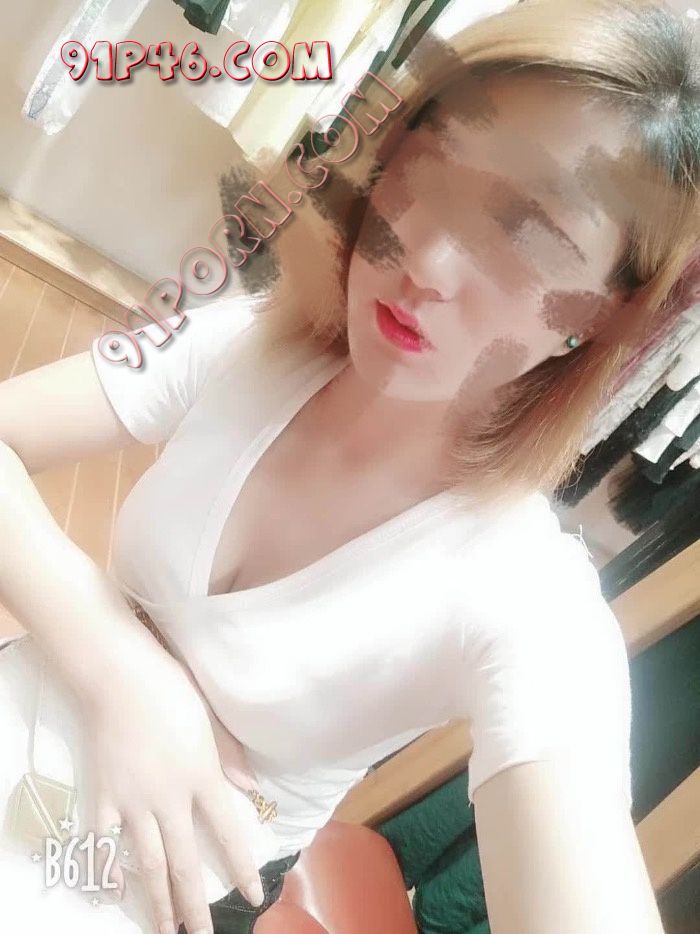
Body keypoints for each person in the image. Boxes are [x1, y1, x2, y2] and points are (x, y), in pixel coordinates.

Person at [0, 0, 697, 931]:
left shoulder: (526, 597)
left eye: (532, 240)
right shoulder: (250, 342)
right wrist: (125, 672)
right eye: (431, 172)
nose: (428, 261)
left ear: (604, 318)